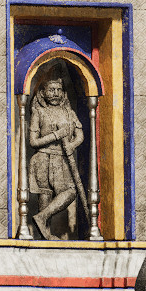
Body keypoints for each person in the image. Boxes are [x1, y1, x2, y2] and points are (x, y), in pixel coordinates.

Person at [24, 71, 88, 239]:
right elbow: (33, 141)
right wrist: (56, 136)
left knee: (70, 192)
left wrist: (73, 144)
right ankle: (45, 234)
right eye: (51, 89)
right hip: (43, 158)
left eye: (59, 89)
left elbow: (80, 135)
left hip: (63, 159)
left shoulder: (69, 112)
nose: (55, 93)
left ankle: (42, 217)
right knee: (45, 194)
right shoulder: (39, 112)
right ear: (43, 92)